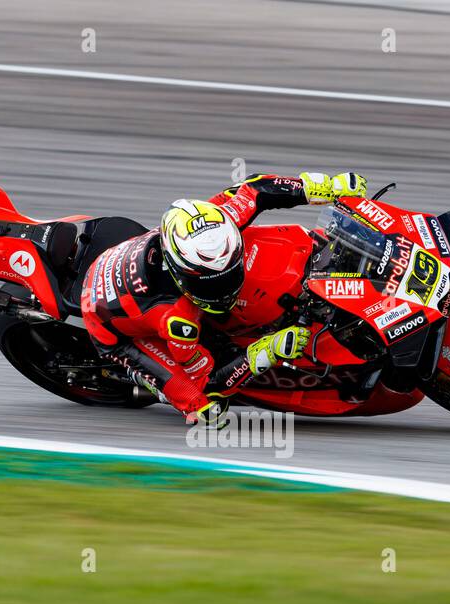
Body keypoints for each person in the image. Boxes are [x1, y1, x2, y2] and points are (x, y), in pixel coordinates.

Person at [80, 172, 367, 426]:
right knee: (206, 406)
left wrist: (326, 187)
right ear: (182, 275)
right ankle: (143, 380)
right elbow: (209, 380)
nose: (224, 289)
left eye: (229, 273)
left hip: (128, 257)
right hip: (107, 325)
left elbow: (256, 188)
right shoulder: (178, 321)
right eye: (210, 284)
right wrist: (265, 352)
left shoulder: (218, 223)